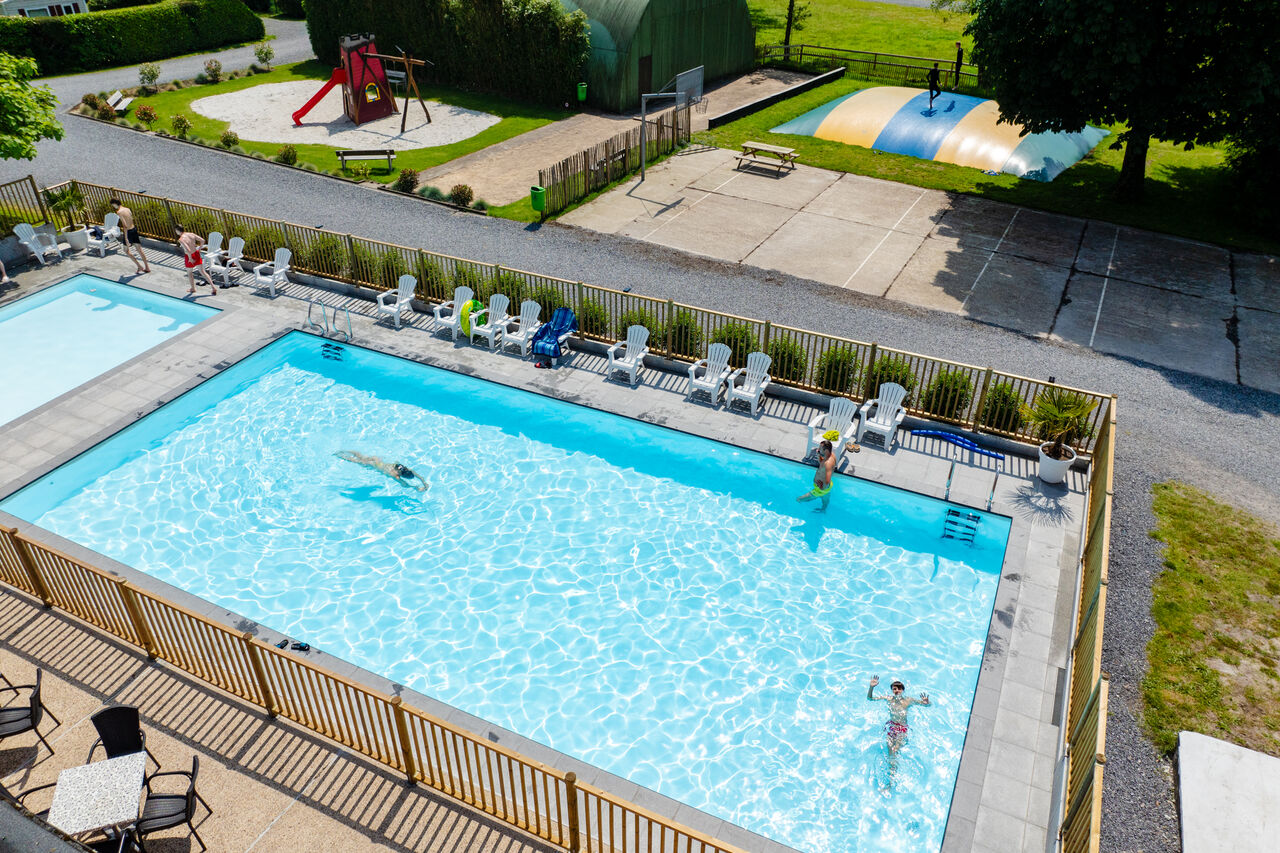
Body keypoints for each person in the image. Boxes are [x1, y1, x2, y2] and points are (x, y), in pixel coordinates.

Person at [867, 675, 931, 754]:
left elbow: (926, 705)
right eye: (894, 689)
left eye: (899, 688)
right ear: (892, 690)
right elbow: (870, 698)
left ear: (903, 690)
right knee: (890, 750)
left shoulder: (908, 700)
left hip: (902, 728)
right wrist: (871, 687)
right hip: (892, 726)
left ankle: (893, 765)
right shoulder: (889, 699)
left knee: (895, 750)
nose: (897, 690)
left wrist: (927, 702)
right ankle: (892, 766)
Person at [334, 450, 427, 492]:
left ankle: (345, 450)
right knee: (357, 461)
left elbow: (419, 476)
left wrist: (424, 483)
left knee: (360, 456)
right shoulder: (395, 475)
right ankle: (340, 456)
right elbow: (404, 484)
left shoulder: (402, 467)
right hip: (374, 465)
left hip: (378, 460)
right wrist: (415, 487)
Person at [109, 198, 151, 274]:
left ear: (115, 204)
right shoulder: (128, 209)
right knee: (139, 250)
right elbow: (131, 219)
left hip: (128, 232)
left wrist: (126, 238)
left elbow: (125, 226)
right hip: (134, 229)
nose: (113, 206)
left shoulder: (119, 212)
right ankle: (147, 267)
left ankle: (140, 266)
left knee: (126, 250)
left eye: (113, 205)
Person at [174, 224, 216, 295]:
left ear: (178, 231)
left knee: (190, 273)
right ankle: (213, 287)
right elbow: (202, 240)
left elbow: (188, 249)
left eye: (176, 231)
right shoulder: (191, 234)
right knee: (203, 272)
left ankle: (193, 288)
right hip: (196, 254)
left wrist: (190, 258)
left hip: (189, 256)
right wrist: (199, 248)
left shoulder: (181, 239)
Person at [796, 439, 837, 511]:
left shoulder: (828, 463)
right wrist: (819, 456)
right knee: (825, 499)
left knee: (799, 499)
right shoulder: (830, 455)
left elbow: (827, 480)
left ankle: (801, 507)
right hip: (827, 488)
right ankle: (823, 509)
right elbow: (822, 465)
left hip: (820, 489)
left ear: (826, 451)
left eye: (820, 449)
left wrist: (820, 486)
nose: (818, 450)